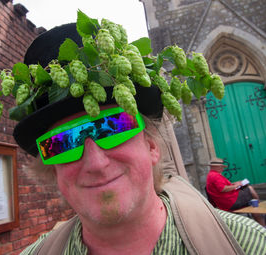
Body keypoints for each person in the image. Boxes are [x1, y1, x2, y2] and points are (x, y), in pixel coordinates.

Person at [13, 22, 266, 255]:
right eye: (64, 143)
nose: (96, 163)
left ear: (151, 144)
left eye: (113, 128)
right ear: (52, 169)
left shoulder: (248, 245)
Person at [206, 158, 265, 226]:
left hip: (227, 200)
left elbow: (222, 186)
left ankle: (262, 221)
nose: (223, 168)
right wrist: (237, 185)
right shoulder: (215, 176)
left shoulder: (212, 175)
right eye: (221, 167)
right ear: (215, 167)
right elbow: (223, 189)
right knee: (250, 189)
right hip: (230, 201)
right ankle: (261, 212)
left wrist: (234, 184)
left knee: (252, 202)